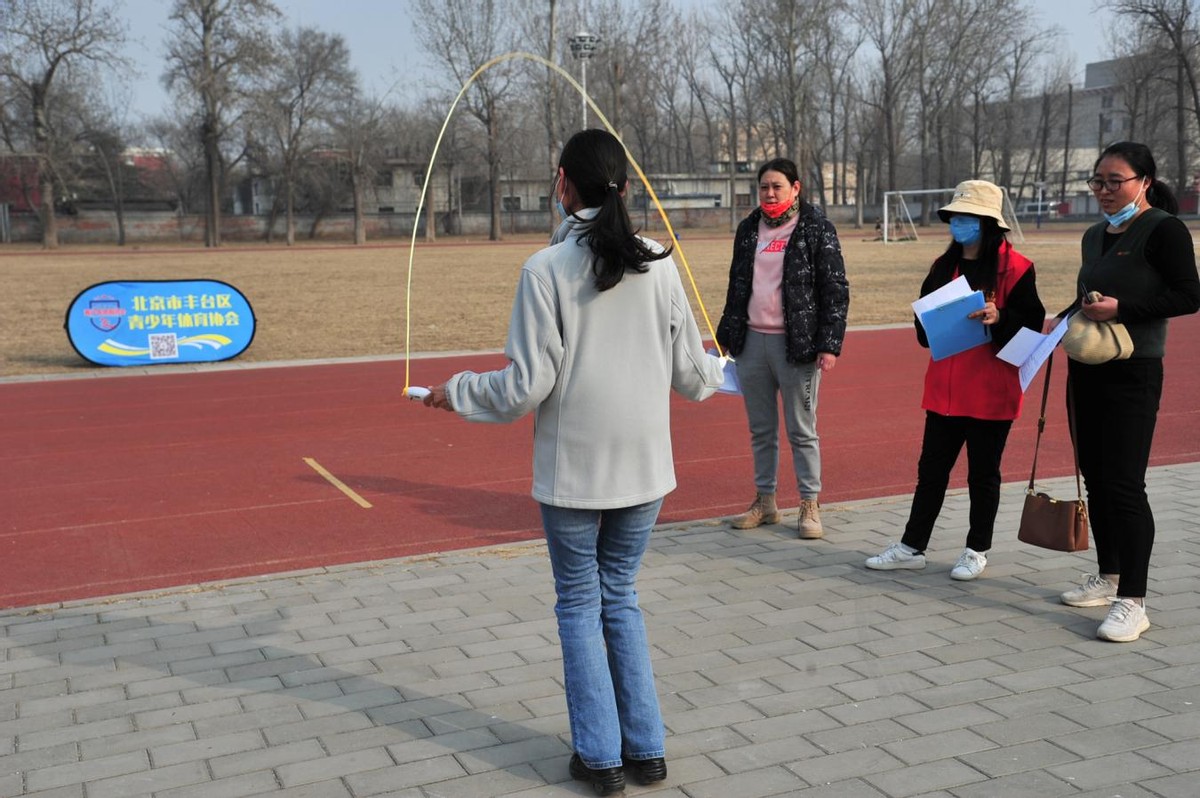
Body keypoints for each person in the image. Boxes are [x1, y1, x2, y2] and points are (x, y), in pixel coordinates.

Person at [421, 129, 725, 794]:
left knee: (582, 604)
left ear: (563, 184)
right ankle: (644, 750)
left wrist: (457, 391)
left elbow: (524, 386)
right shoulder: (660, 263)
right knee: (619, 599)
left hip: (575, 478)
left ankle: (601, 758)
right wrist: (718, 367)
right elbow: (695, 380)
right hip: (645, 474)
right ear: (622, 185)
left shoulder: (545, 270)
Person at [1052, 141, 1200, 642]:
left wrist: (1123, 309)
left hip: (1134, 371)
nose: (1104, 191)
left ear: (1145, 182)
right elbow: (1088, 291)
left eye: (1115, 181)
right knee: (1095, 477)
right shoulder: (1094, 235)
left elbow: (1189, 294)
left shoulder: (1163, 229)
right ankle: (1108, 573)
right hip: (1088, 367)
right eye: (1098, 182)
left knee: (1124, 485)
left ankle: (1132, 600)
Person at [865, 180, 1045, 580]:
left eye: (967, 217)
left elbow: (1032, 326)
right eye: (955, 217)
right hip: (945, 388)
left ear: (988, 223)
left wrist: (1001, 318)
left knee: (983, 474)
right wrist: (932, 324)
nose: (958, 224)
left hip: (991, 389)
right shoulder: (943, 266)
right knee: (931, 472)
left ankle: (976, 550)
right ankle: (913, 546)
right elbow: (922, 326)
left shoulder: (1017, 269)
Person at [715, 157, 850, 539]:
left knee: (802, 429)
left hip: (798, 346)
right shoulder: (747, 229)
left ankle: (809, 502)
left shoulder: (815, 228)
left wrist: (829, 344)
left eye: (777, 186)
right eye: (763, 187)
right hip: (751, 344)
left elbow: (835, 290)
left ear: (796, 188)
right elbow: (737, 285)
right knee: (761, 429)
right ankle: (765, 501)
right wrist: (728, 334)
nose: (769, 194)